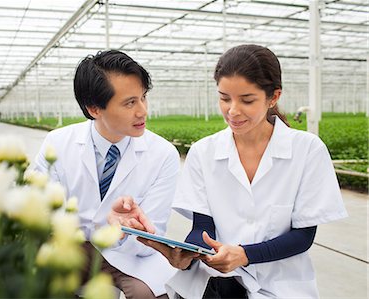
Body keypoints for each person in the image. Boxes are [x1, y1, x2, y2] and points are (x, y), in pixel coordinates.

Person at [109, 44, 348, 298]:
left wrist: (245, 255)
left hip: (284, 285)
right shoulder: (204, 152)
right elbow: (203, 228)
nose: (233, 111)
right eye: (224, 98)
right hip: (216, 282)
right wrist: (187, 253)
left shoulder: (307, 150)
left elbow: (303, 236)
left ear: (273, 97)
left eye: (247, 100)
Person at [35, 50, 180, 298]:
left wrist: (128, 228)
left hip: (128, 252)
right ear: (94, 108)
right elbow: (38, 210)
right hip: (72, 246)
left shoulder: (164, 154)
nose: (142, 111)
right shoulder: (57, 143)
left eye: (143, 98)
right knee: (42, 282)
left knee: (147, 293)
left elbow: (152, 235)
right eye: (130, 103)